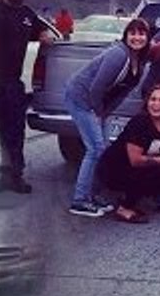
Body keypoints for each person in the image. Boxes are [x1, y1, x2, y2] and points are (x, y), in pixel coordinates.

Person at [64, 18, 151, 217]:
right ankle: (80, 201)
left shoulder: (139, 61)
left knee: (102, 149)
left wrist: (106, 112)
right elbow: (96, 87)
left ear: (147, 38)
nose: (137, 38)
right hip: (80, 97)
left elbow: (121, 93)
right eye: (133, 33)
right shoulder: (118, 54)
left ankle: (92, 195)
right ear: (126, 35)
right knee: (96, 148)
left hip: (96, 104)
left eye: (141, 34)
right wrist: (97, 112)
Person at [0, 0, 55, 194]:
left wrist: (44, 34)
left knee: (15, 132)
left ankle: (14, 176)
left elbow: (46, 31)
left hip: (13, 85)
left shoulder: (27, 15)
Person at [96, 84, 160, 223]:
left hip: (134, 166)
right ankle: (124, 208)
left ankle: (156, 196)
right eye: (153, 99)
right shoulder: (140, 122)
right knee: (153, 168)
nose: (156, 104)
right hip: (114, 169)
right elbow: (135, 160)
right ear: (147, 102)